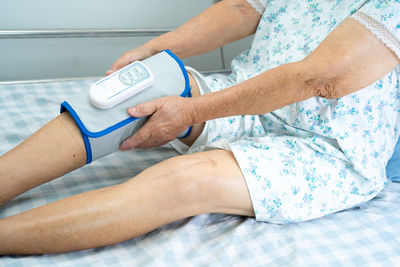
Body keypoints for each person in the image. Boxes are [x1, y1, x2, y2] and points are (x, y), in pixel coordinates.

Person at [1, 0, 399, 255]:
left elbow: (318, 80)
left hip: (325, 146)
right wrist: (156, 50)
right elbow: (245, 8)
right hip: (250, 93)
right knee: (132, 92)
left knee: (188, 180)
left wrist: (192, 111)